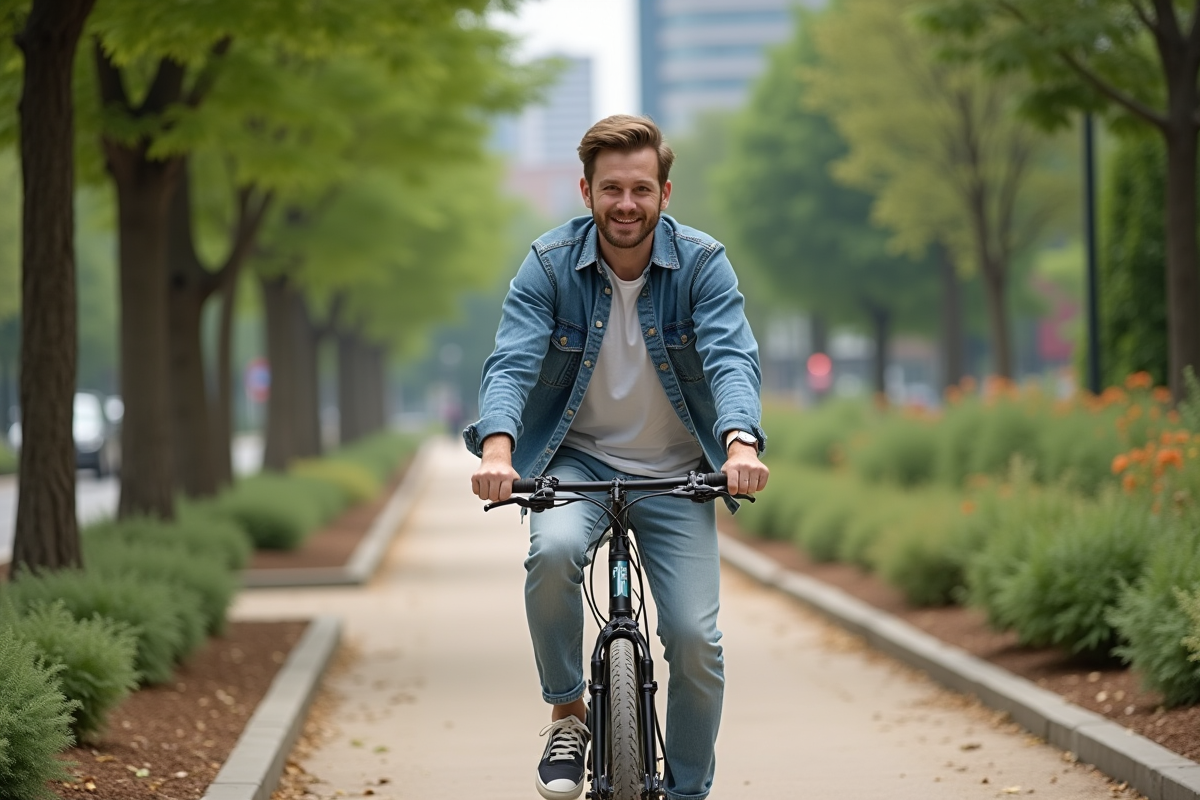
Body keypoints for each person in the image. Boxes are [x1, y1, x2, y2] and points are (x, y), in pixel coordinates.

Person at [465, 114, 768, 800]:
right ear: (585, 191)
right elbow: (511, 363)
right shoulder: (547, 265)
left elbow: (730, 359)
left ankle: (688, 792)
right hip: (574, 464)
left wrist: (740, 442)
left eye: (640, 189)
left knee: (695, 640)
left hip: (677, 475)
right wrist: (498, 451)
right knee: (550, 555)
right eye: (611, 189)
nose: (624, 204)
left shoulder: (702, 264)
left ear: (665, 192)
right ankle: (568, 712)